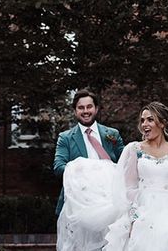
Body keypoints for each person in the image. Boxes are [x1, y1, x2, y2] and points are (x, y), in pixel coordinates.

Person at [103, 102, 168, 250]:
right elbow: (129, 189)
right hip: (143, 210)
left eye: (150, 119)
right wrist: (133, 220)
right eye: (142, 120)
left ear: (163, 123)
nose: (145, 124)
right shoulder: (134, 149)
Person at [53, 89, 125, 251]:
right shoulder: (65, 137)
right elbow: (59, 166)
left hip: (111, 203)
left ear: (96, 108)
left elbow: (126, 163)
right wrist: (84, 171)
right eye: (81, 108)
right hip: (80, 206)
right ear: (75, 111)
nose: (85, 111)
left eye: (89, 107)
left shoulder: (112, 134)